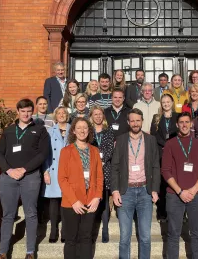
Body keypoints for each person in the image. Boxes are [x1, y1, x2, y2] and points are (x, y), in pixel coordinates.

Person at [0, 99, 50, 259]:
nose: (26, 114)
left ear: (32, 112)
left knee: (31, 214)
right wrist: (9, 170)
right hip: (8, 178)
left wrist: (24, 169)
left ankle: (30, 252)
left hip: (31, 177)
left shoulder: (40, 130)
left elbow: (43, 154)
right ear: (17, 111)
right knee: (8, 215)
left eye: (28, 111)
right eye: (23, 111)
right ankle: (3, 252)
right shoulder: (8, 131)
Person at [111, 108, 160, 259]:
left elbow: (155, 166)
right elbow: (115, 166)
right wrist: (115, 191)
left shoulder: (151, 140)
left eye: (138, 120)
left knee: (145, 237)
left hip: (145, 191)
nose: (135, 123)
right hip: (126, 193)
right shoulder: (120, 139)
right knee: (125, 237)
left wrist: (155, 189)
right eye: (132, 120)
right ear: (128, 122)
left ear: (142, 121)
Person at [161, 112, 198, 259]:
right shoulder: (170, 144)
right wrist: (180, 191)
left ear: (191, 124)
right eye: (181, 122)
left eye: (187, 122)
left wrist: (194, 190)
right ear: (177, 125)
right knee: (173, 234)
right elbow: (165, 171)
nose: (184, 125)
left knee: (196, 233)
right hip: (174, 195)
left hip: (197, 194)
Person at [58, 117, 103, 259]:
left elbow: (99, 177)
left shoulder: (95, 150)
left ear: (89, 131)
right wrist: (74, 201)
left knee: (86, 238)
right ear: (74, 131)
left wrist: (97, 197)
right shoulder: (66, 151)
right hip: (71, 202)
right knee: (71, 239)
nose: (82, 130)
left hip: (90, 201)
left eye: (85, 128)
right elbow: (62, 179)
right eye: (79, 128)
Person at [42, 106, 70, 243]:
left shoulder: (73, 130)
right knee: (53, 201)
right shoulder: (50, 131)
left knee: (67, 201)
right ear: (55, 116)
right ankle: (53, 229)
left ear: (67, 115)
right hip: (53, 169)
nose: (61, 115)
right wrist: (45, 171)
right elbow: (45, 153)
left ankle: (65, 230)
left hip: (69, 171)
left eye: (64, 113)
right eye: (59, 113)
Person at [150, 93, 178, 221]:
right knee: (162, 182)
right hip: (161, 152)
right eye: (163, 102)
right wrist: (165, 144)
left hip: (175, 154)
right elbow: (153, 135)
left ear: (172, 103)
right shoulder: (156, 117)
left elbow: (180, 133)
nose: (166, 104)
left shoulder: (177, 116)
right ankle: (162, 212)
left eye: (168, 102)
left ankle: (177, 212)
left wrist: (170, 145)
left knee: (175, 181)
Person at [89, 105, 115, 243]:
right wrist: (95, 163)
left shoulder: (108, 130)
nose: (98, 116)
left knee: (104, 199)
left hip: (105, 168)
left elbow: (110, 148)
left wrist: (102, 161)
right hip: (91, 169)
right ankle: (93, 228)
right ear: (91, 116)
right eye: (95, 114)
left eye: (100, 114)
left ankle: (105, 228)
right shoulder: (88, 130)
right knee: (93, 197)